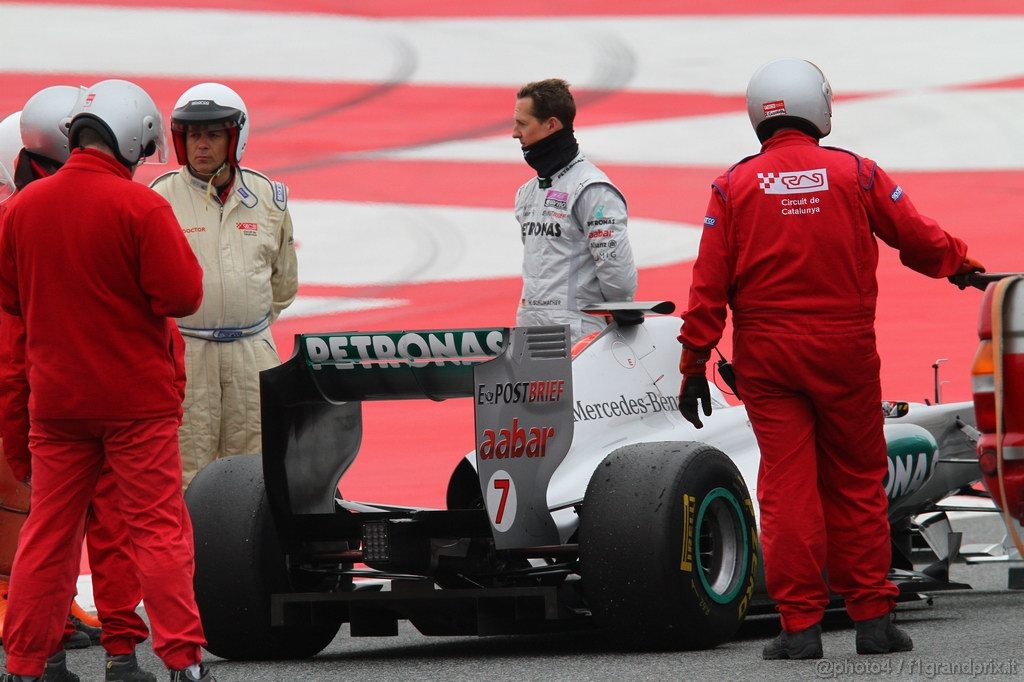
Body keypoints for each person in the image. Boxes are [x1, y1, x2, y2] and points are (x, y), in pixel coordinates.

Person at [676, 59, 984, 660]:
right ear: (818, 107)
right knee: (857, 484)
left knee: (787, 489)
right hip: (844, 351)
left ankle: (798, 630)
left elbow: (707, 287)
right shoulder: (856, 172)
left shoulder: (733, 186)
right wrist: (961, 265)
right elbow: (918, 238)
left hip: (767, 356)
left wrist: (692, 365)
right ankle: (872, 620)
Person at [0, 79, 214, 682]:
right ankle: (182, 663)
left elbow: (13, 302)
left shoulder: (21, 210)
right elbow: (183, 295)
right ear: (131, 139)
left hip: (57, 405)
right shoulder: (141, 207)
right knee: (158, 532)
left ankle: (23, 665)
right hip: (135, 405)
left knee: (46, 535)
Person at [150, 82, 297, 489]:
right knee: (184, 475)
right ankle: (189, 554)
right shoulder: (158, 199)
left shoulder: (269, 197)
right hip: (187, 356)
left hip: (251, 354)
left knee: (257, 472)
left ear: (236, 137)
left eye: (213, 134)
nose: (201, 145)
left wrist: (242, 322)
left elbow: (283, 284)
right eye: (193, 135)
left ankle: (250, 553)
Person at [512, 78, 636, 343]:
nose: (514, 133)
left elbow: (617, 274)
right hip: (530, 330)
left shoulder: (592, 189)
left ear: (551, 125)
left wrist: (618, 307)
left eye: (522, 124)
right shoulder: (527, 193)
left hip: (578, 335)